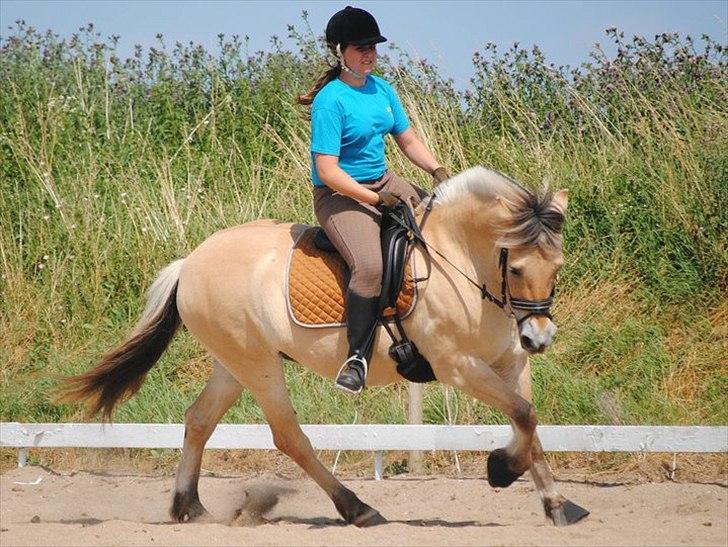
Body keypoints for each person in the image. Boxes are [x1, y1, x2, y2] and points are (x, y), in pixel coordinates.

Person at [296, 6, 449, 395]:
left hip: (385, 180)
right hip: (340, 194)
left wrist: (438, 172)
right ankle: (357, 358)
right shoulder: (331, 100)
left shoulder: (382, 89)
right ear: (340, 51)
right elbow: (328, 170)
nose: (370, 54)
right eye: (361, 48)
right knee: (368, 265)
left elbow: (408, 140)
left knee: (439, 225)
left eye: (374, 48)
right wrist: (372, 198)